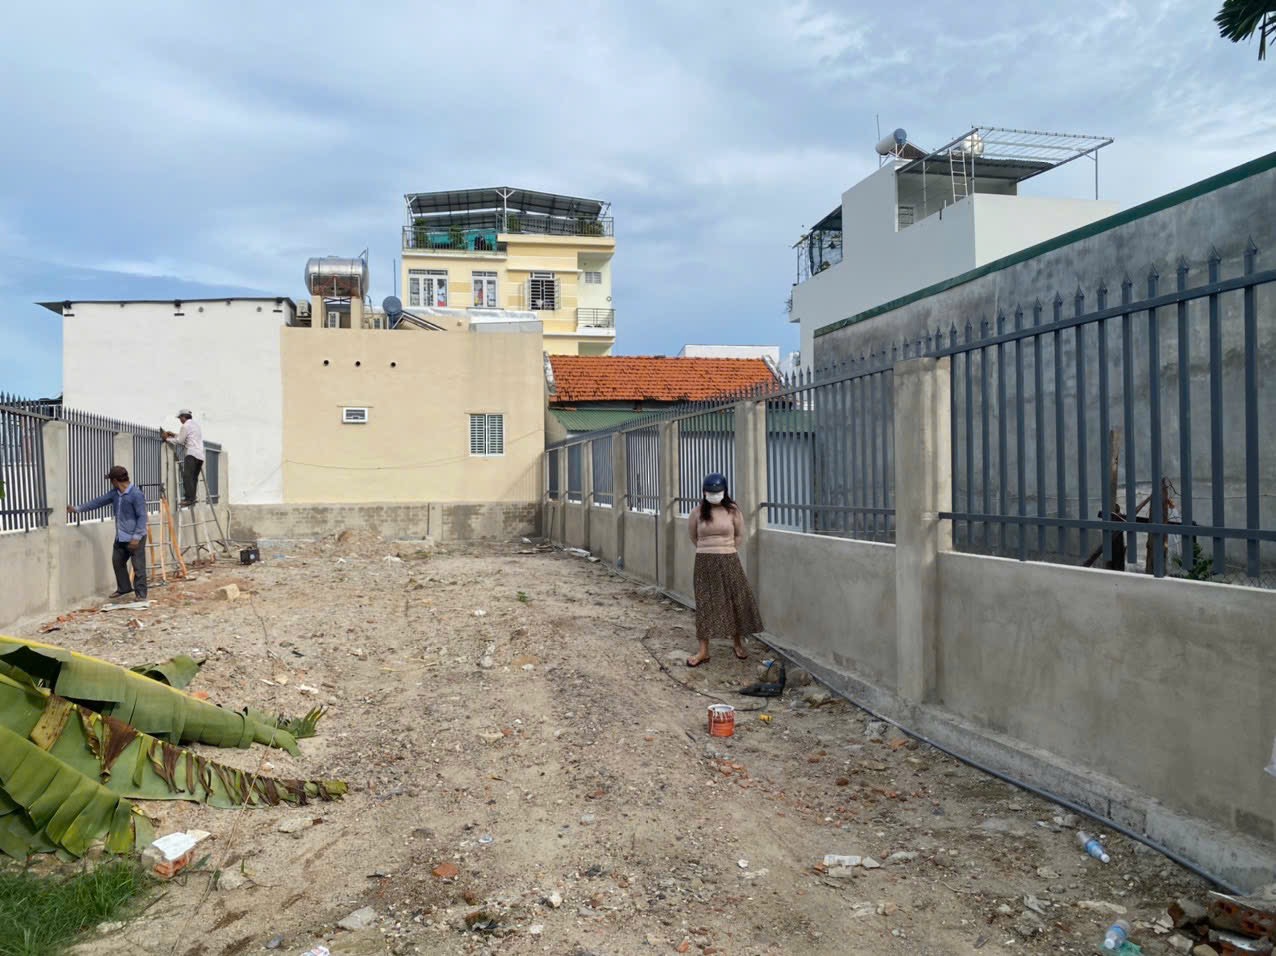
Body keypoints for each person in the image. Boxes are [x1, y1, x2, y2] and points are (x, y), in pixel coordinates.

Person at [686, 473, 764, 667]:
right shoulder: (697, 512)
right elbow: (693, 536)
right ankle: (703, 650)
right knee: (705, 604)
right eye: (710, 492)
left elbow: (740, 535)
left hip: (729, 559)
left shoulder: (733, 511)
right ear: (704, 492)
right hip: (704, 562)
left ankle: (737, 643)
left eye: (717, 491)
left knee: (735, 600)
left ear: (725, 492)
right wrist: (709, 549)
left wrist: (726, 549)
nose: (714, 495)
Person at [67, 465, 149, 601]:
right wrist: (77, 509)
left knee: (138, 566)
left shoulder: (136, 494)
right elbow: (98, 502)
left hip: (135, 537)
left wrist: (136, 537)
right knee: (117, 561)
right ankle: (124, 588)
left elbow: (142, 516)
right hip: (121, 536)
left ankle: (141, 594)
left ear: (115, 480)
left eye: (111, 480)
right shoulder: (115, 493)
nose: (111, 483)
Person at [162, 408, 205, 507]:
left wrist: (167, 439)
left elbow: (180, 441)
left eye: (180, 418)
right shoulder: (196, 425)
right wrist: (174, 434)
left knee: (187, 476)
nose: (180, 420)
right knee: (194, 477)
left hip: (191, 454)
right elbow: (188, 437)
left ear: (183, 417)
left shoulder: (185, 426)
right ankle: (192, 498)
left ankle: (189, 499)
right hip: (200, 455)